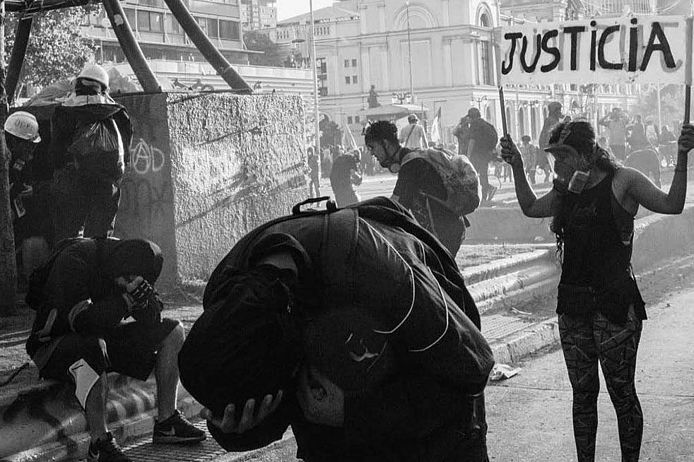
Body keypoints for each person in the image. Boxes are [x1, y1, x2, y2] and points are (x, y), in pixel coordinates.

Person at [178, 197, 494, 462]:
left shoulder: (378, 274)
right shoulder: (231, 297)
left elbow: (470, 370)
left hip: (441, 418)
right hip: (338, 428)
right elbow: (296, 398)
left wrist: (354, 413)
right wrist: (240, 427)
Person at [500, 120, 694, 462]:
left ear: (587, 154)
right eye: (554, 157)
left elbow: (672, 204)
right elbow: (531, 208)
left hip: (614, 306)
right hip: (573, 307)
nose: (557, 166)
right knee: (583, 396)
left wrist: (681, 155)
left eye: (564, 156)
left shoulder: (624, 181)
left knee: (622, 394)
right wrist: (517, 166)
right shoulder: (565, 191)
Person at [25, 237, 206, 462]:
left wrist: (145, 301)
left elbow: (152, 321)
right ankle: (99, 443)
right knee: (93, 344)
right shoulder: (76, 259)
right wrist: (127, 301)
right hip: (53, 343)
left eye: (140, 281)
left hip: (101, 337)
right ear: (123, 265)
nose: (131, 283)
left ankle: (167, 422)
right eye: (129, 278)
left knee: (173, 331)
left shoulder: (133, 265)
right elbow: (82, 322)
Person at [364, 120, 480, 256]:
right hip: (447, 230)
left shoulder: (411, 165)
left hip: (442, 233)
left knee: (434, 275)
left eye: (373, 147)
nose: (372, 153)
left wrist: (366, 215)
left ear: (386, 143)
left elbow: (396, 207)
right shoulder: (413, 157)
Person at [50, 64, 133, 243]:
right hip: (107, 184)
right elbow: (126, 153)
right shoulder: (118, 112)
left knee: (69, 237)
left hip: (72, 183)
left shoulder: (64, 112)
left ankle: (71, 267)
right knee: (99, 238)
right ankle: (97, 268)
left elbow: (56, 154)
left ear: (79, 84)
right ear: (104, 87)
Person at [466, 108, 498, 203]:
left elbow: (472, 140)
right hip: (486, 154)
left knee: (472, 175)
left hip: (476, 154)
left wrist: (468, 155)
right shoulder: (486, 124)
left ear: (472, 117)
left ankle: (477, 195)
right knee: (483, 174)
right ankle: (485, 194)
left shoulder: (475, 125)